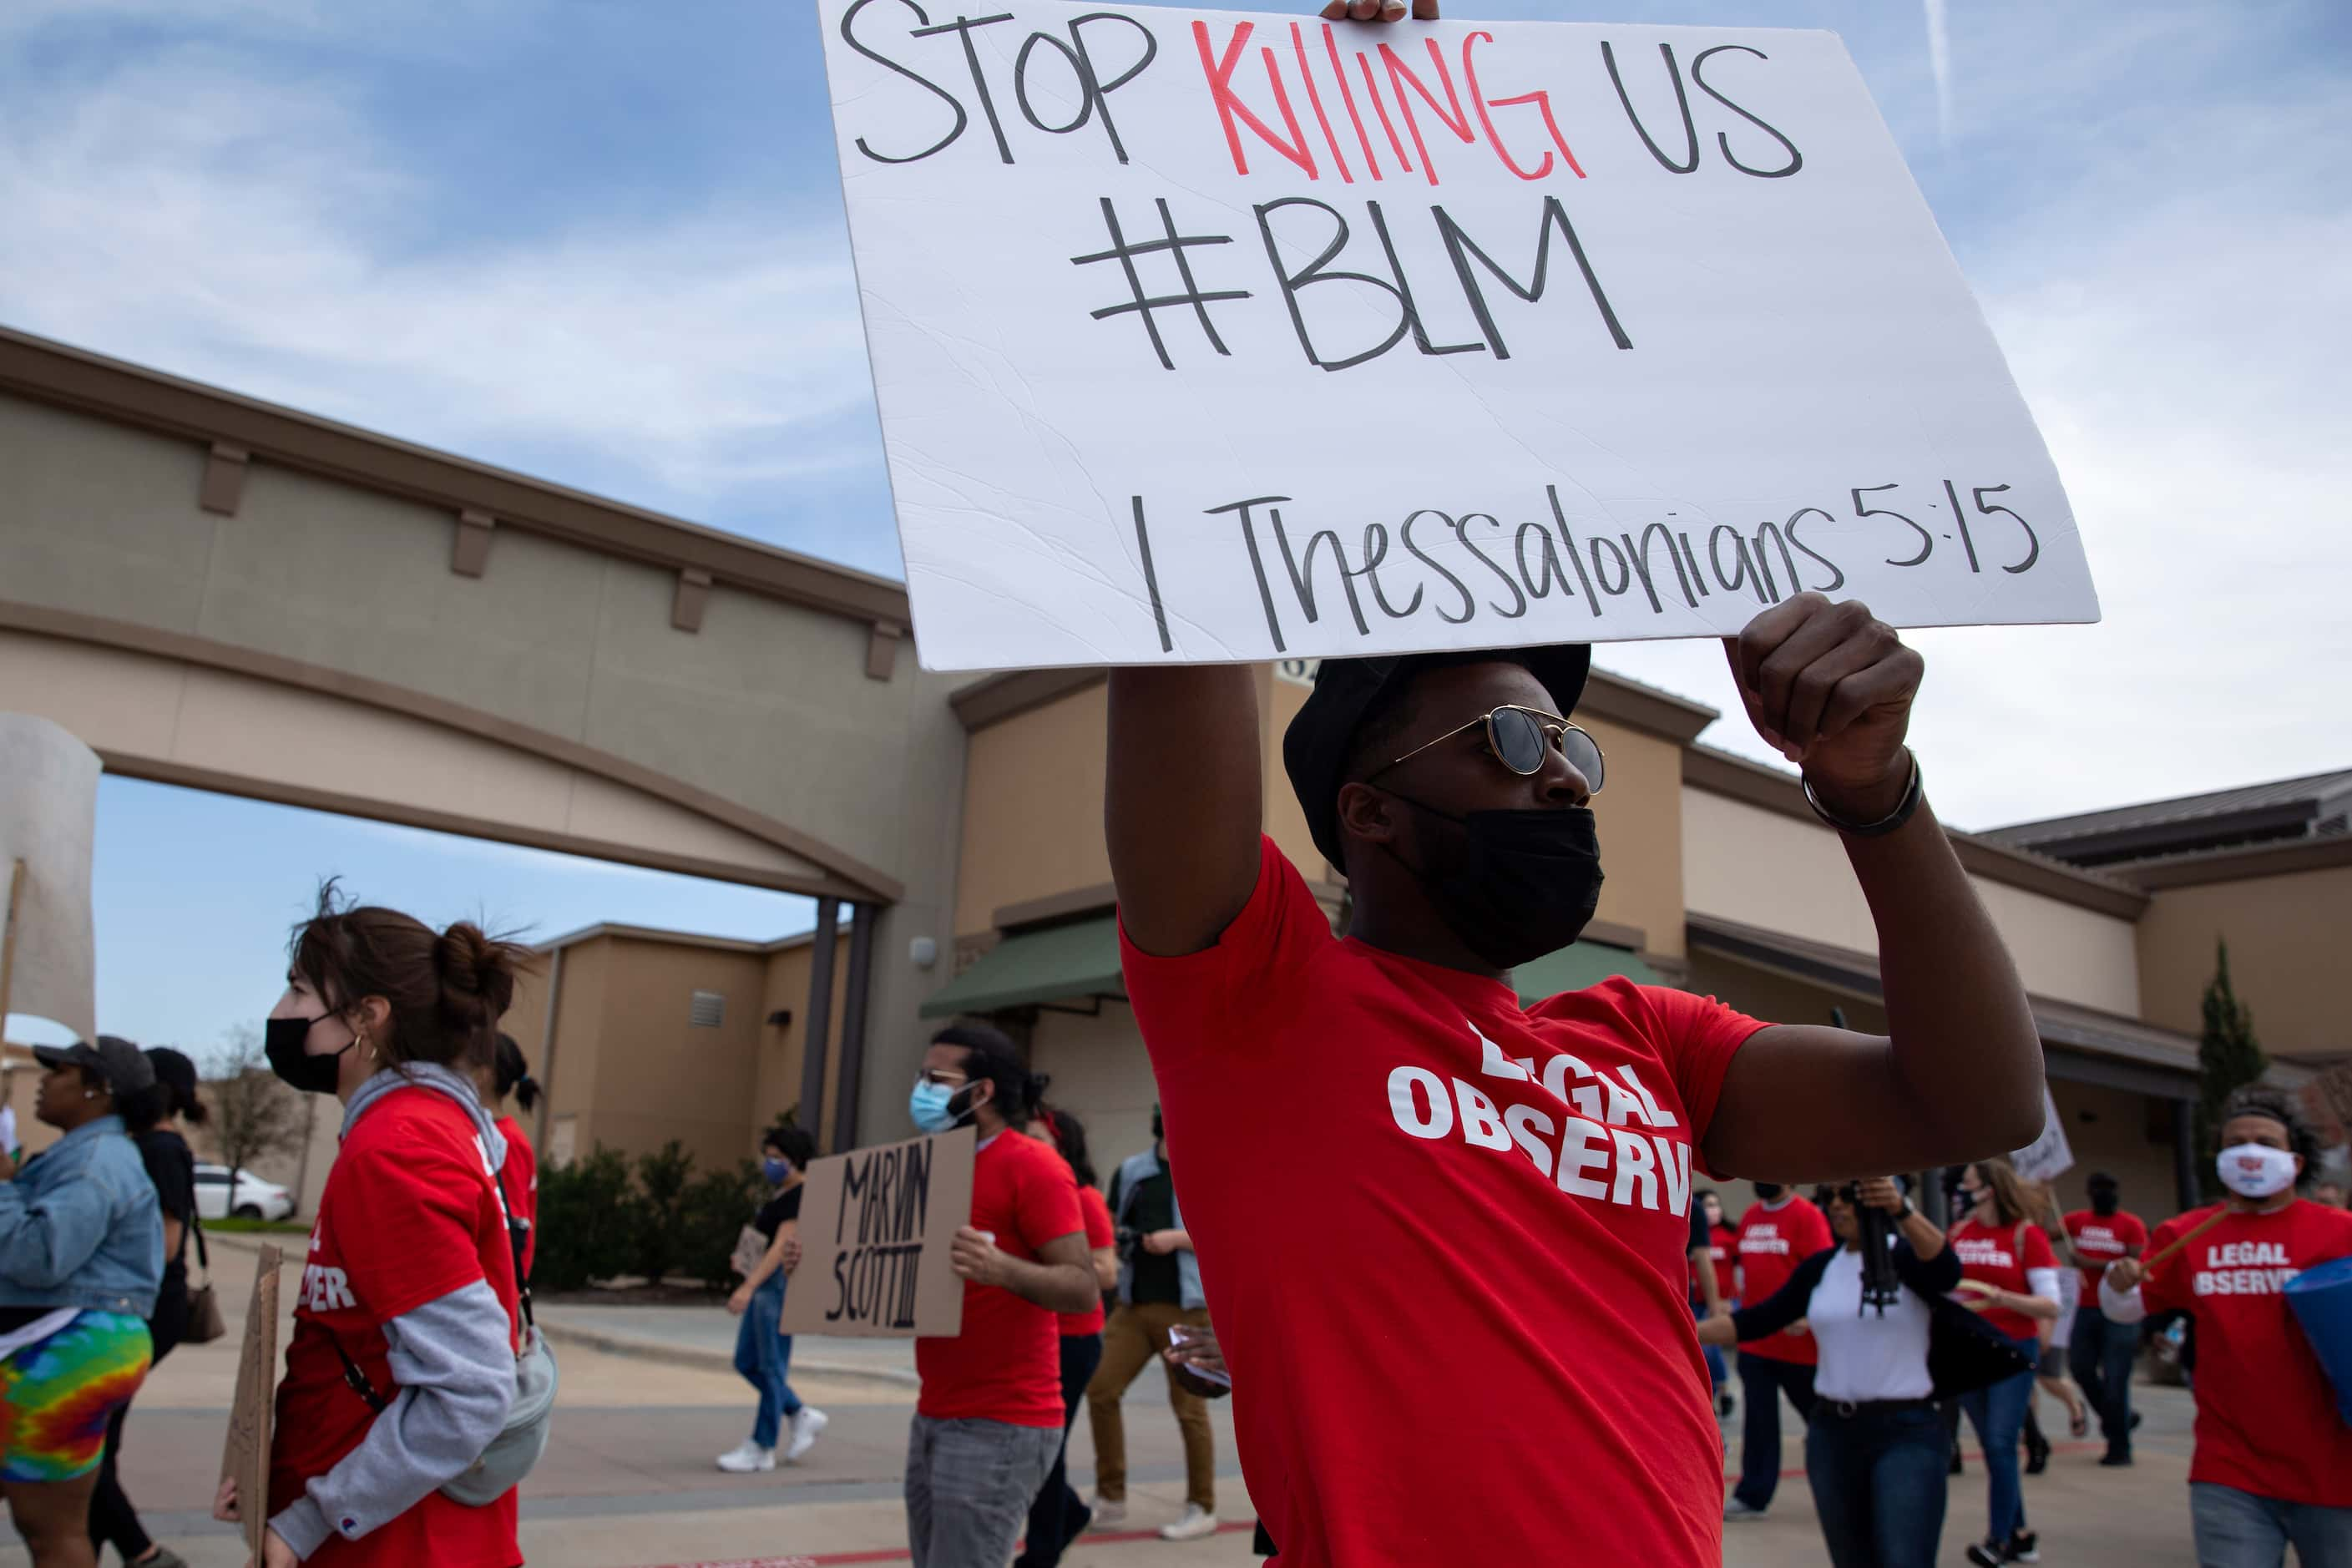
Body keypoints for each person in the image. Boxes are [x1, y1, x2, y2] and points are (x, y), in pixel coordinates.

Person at [1109, 583, 2046, 1560]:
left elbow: (1982, 1101)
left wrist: (1873, 788)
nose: (1564, 779)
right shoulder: (1262, 999)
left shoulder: (1648, 1038)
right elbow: (1176, 595)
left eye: (1570, 746)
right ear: (1369, 811)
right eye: (1511, 741)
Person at [213, 888, 528, 1568]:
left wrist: (307, 1520)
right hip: (385, 1523)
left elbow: (469, 1391)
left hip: (393, 1543)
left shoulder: (397, 1148)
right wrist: (273, 1466)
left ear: (366, 1017)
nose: (280, 1012)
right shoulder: (423, 1129)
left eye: (298, 990)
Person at [2102, 1085, 2352, 1567]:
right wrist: (2117, 1284)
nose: (2250, 1151)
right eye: (2236, 1143)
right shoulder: (2185, 1235)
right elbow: (2126, 1309)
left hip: (2333, 1470)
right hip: (2230, 1471)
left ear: (2296, 1163)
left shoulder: (2340, 1233)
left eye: (2266, 1142)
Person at [904, 1025, 1097, 1568]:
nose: (922, 1089)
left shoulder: (1032, 1165)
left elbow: (1083, 1287)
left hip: (1000, 1422)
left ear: (982, 1091)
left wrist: (1001, 1269)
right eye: (920, 1077)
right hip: (934, 1412)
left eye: (936, 1079)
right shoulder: (932, 1166)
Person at [1698, 1176, 1960, 1568]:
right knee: (1851, 1559)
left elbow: (1946, 1271)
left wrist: (1901, 1210)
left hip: (1906, 1433)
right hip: (1833, 1437)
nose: (1836, 1206)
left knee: (1903, 1557)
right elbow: (1757, 1320)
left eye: (1848, 1196)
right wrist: (1676, 1329)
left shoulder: (1904, 1259)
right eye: (1829, 1197)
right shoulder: (1823, 1268)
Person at [0, 1037, 162, 1568]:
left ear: (100, 1088)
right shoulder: (90, 1153)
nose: (44, 1079)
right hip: (69, 1344)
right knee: (53, 1524)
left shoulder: (95, 1161)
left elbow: (39, 1256)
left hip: (64, 1349)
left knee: (50, 1527)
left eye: (60, 1071)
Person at [88, 1047, 207, 1568]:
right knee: (95, 1442)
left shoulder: (159, 1148)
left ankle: (144, 1553)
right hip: (147, 1308)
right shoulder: (158, 1145)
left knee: (87, 1446)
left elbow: (165, 1241)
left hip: (147, 1310)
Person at [1084, 1106, 1216, 1543]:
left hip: (1187, 1305)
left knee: (1188, 1408)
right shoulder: (1133, 1171)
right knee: (1101, 1388)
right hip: (1135, 1302)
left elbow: (1224, 1234)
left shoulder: (1204, 1167)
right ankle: (1110, 1495)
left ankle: (1202, 1505)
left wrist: (1177, 1240)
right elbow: (1110, 1225)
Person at [1015, 1103, 1116, 1568]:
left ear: (1062, 1147)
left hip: (1073, 1339)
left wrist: (1045, 1260)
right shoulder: (1030, 1192)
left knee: (1044, 1451)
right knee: (1038, 1449)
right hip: (1038, 1335)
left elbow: (1107, 1272)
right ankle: (1069, 1515)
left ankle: (1042, 1552)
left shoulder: (1085, 1197)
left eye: (1039, 1139)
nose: (1028, 1146)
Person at [1949, 1157, 2062, 1566]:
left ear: (1989, 1188)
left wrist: (2001, 1298)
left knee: (1999, 1443)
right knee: (1991, 1447)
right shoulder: (1959, 1232)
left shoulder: (2025, 1235)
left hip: (2013, 1350)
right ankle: (2021, 1534)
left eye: (1968, 1181)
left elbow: (2050, 1304)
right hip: (1967, 1351)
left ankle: (1997, 1541)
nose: (1961, 1189)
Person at [720, 1124, 825, 1473]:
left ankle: (762, 1448)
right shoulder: (782, 1194)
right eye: (768, 1157)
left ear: (796, 1160)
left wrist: (749, 1286)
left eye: (777, 1158)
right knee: (747, 1362)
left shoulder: (802, 1195)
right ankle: (799, 1413)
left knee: (770, 1366)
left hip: (777, 1288)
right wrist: (746, 1263)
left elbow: (782, 1247)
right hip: (765, 1285)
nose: (769, 1164)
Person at [1726, 1181, 1834, 1520]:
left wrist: (1806, 1315)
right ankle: (1753, 1495)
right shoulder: (1750, 1215)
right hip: (1757, 1342)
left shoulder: (1807, 1216)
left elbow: (1823, 1271)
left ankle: (1841, 1485)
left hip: (1798, 1345)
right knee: (1758, 1423)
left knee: (1821, 1421)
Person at [2061, 1170, 2147, 1466]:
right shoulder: (2076, 1220)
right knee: (2080, 1368)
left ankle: (2119, 1446)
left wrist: (2093, 1263)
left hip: (2120, 1311)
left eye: (2109, 1188)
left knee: (2116, 1379)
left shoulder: (2131, 1225)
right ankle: (2120, 1419)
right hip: (2086, 1307)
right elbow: (2040, 1231)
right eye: (2098, 1188)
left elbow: (2137, 1262)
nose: (2104, 1193)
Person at [2019, 1185, 2089, 1477]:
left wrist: (2046, 1327)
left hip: (2046, 1322)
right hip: (2021, 1322)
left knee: (2049, 1378)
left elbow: (2055, 1291)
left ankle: (2075, 1406)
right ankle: (2033, 1436)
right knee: (2026, 1386)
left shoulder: (2034, 1239)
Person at [473, 1035, 541, 1281]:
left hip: (497, 1286)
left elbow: (513, 1227)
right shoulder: (484, 1131)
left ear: (484, 1074)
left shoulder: (508, 1141)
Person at [1689, 1188, 1737, 1418]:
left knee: (1708, 1346)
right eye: (1708, 1204)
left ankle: (1721, 1391)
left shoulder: (1728, 1235)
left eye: (1715, 1204)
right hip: (1693, 1299)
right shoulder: (1693, 1221)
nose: (1712, 1209)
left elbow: (1707, 1263)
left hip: (1714, 1302)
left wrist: (1717, 1303)